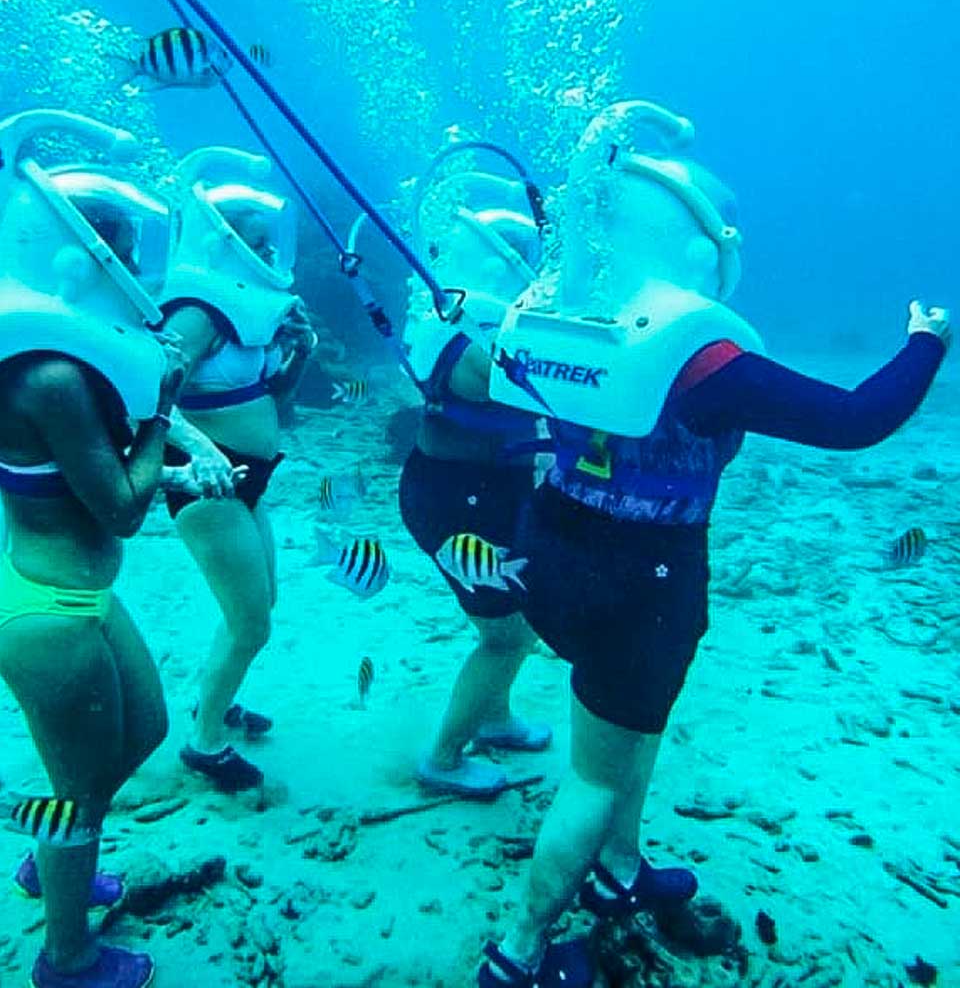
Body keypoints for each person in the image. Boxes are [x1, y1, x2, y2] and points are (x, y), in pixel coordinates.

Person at [476, 101, 950, 987]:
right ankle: (519, 951)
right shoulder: (701, 357)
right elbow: (855, 420)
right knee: (591, 773)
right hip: (644, 583)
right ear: (699, 246)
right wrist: (926, 344)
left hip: (549, 549)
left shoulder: (548, 313)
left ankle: (619, 868)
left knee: (625, 734)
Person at [0, 109, 187, 988]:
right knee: (75, 789)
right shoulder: (54, 373)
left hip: (67, 593)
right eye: (112, 239)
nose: (126, 258)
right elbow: (119, 508)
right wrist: (161, 415)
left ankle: (56, 861)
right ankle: (66, 955)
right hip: (48, 610)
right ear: (69, 252)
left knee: (143, 730)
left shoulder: (55, 347)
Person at [157, 147, 316, 792]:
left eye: (264, 235)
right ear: (220, 237)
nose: (263, 246)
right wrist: (201, 450)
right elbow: (149, 397)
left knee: (258, 605)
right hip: (209, 486)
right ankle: (205, 744)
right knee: (252, 619)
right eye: (250, 235)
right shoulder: (193, 310)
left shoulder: (246, 300)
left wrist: (297, 353)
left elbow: (270, 399)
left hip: (250, 478)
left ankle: (213, 702)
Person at [399, 165, 551, 798]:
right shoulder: (460, 337)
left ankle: (494, 717)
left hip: (482, 489)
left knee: (511, 624)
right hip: (461, 496)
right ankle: (443, 756)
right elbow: (529, 389)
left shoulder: (462, 321)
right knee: (507, 633)